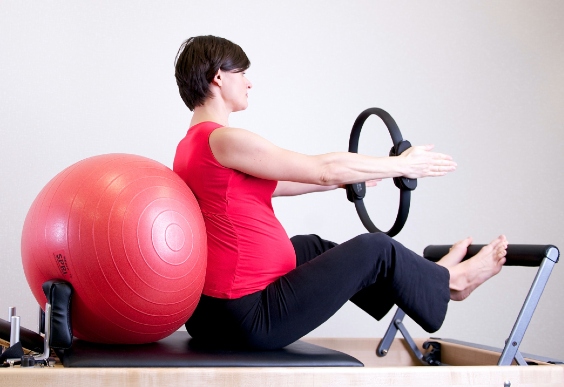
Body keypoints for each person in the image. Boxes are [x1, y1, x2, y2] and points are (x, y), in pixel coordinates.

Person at [173, 35, 508, 350]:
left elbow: (281, 182)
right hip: (246, 316)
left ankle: (424, 280)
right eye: (243, 73)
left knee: (310, 246)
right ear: (219, 77)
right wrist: (402, 166)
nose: (249, 82)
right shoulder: (225, 139)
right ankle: (452, 281)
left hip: (211, 314)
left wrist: (341, 182)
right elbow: (323, 167)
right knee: (375, 248)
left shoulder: (192, 145)